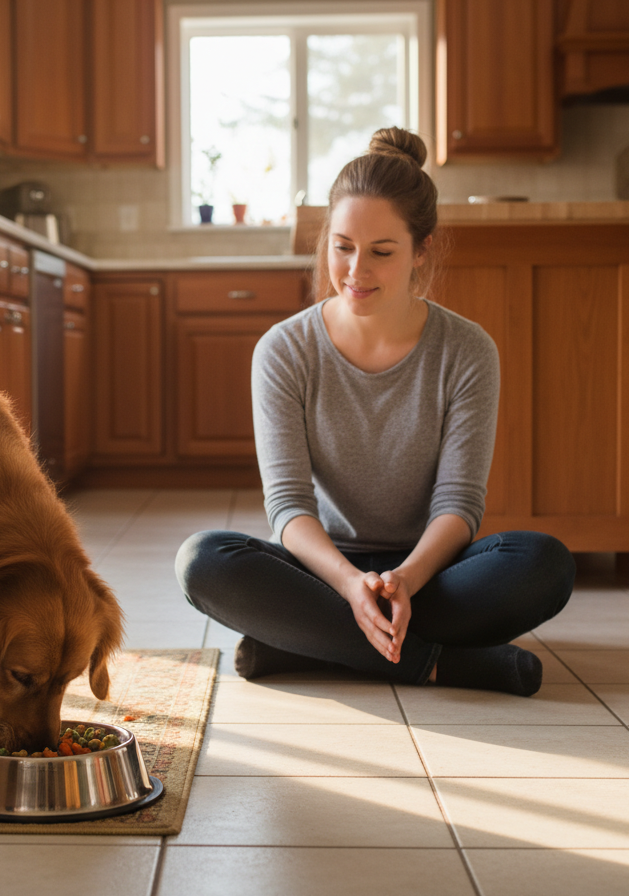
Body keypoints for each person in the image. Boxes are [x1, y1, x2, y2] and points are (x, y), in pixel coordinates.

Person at [175, 127, 575, 696]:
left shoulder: (467, 350)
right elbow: (288, 506)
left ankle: (301, 643)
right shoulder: (284, 350)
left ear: (422, 249)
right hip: (323, 569)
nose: (356, 271)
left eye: (381, 252)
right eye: (342, 246)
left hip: (430, 572)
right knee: (204, 561)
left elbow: (460, 504)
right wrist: (347, 583)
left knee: (543, 564)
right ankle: (438, 663)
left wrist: (406, 579)